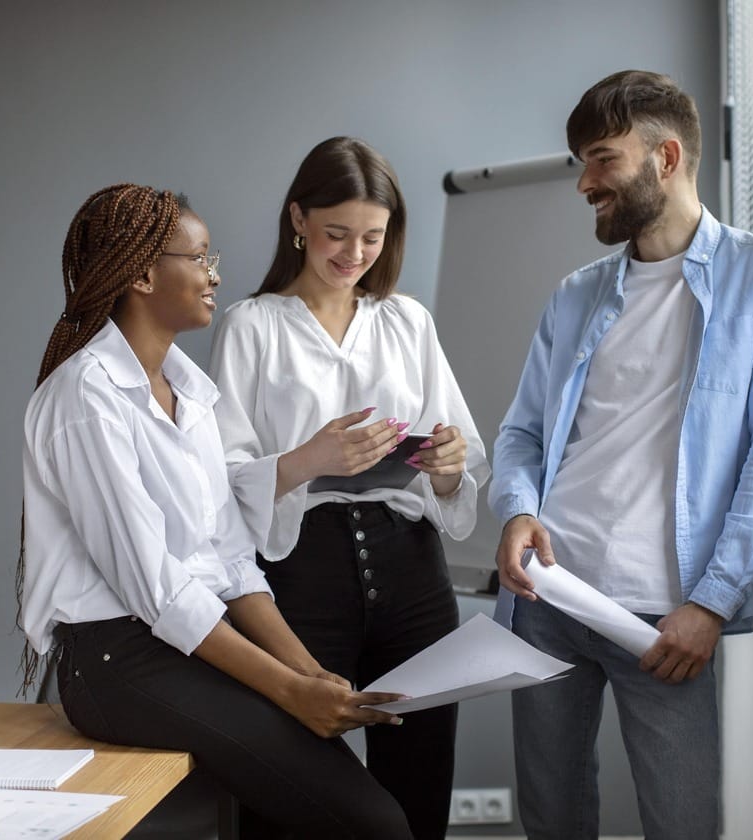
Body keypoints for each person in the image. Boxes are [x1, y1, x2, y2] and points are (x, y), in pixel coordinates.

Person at [17, 183, 416, 840]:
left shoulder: (192, 393)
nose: (215, 276)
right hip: (115, 660)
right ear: (143, 274)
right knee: (371, 823)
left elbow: (230, 561)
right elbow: (157, 590)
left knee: (358, 811)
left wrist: (309, 672)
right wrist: (289, 691)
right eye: (200, 258)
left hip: (185, 641)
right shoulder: (87, 398)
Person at [490, 71, 753, 840]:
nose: (585, 184)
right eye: (582, 164)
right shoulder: (575, 294)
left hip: (667, 620)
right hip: (548, 597)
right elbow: (522, 432)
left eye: (603, 159)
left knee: (684, 822)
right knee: (551, 820)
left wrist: (713, 602)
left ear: (665, 158)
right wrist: (518, 511)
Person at [209, 137, 489, 840]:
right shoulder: (251, 326)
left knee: (420, 778)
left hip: (412, 570)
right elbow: (218, 482)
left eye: (372, 236)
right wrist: (309, 459)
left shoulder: (407, 321)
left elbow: (456, 467)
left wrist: (446, 465)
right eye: (337, 233)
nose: (354, 253)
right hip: (298, 574)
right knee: (289, 787)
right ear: (298, 219)